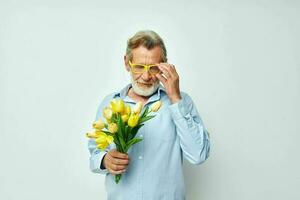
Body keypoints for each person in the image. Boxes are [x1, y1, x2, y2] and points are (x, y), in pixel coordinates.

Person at [88, 30, 211, 200]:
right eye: (139, 67)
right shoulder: (110, 103)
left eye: (153, 68)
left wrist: (175, 98)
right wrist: (104, 160)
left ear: (164, 66)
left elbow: (199, 155)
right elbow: (95, 154)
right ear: (127, 63)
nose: (146, 77)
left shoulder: (182, 102)